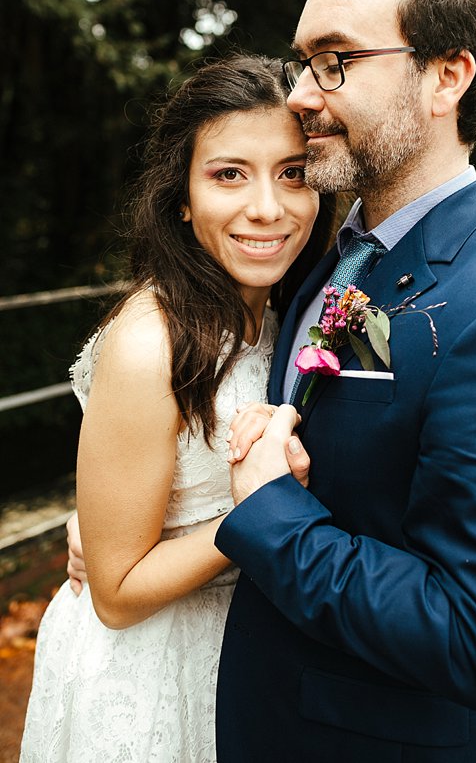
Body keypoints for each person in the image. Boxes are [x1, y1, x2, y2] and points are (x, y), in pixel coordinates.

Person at [209, 0, 476, 762]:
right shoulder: (328, 254)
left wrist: (270, 511)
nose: (303, 96)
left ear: (446, 76)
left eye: (337, 60)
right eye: (303, 62)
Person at [20, 54, 333, 762]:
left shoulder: (288, 314)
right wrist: (262, 512)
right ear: (183, 196)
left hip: (247, 653)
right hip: (152, 665)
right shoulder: (148, 343)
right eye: (229, 173)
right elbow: (116, 590)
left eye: (293, 172)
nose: (267, 206)